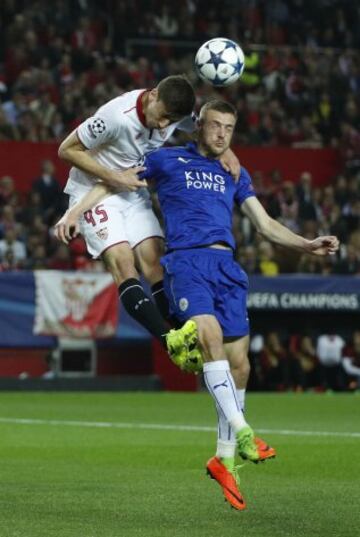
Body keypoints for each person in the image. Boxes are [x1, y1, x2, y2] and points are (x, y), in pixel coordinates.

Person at [58, 100, 339, 510]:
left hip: (227, 266)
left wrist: (307, 244)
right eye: (215, 126)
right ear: (199, 126)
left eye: (229, 128)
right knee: (207, 336)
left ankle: (225, 458)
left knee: (240, 361)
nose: (222, 134)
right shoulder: (166, 159)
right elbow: (113, 182)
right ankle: (244, 431)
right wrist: (76, 210)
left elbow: (264, 224)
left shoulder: (234, 173)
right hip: (187, 262)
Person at [55, 75, 241, 364]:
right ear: (153, 96)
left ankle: (187, 339)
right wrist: (80, 207)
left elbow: (203, 126)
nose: (165, 126)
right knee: (124, 263)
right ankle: (170, 342)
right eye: (163, 117)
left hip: (131, 188)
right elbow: (66, 149)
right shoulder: (115, 117)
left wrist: (227, 151)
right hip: (95, 189)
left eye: (172, 121)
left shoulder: (176, 113)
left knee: (155, 264)